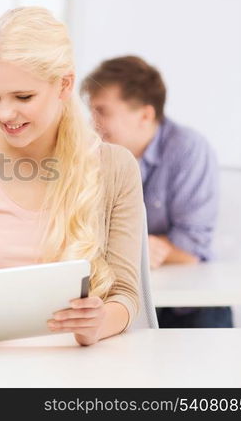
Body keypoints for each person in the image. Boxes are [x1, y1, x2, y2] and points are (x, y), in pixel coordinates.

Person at [0, 7, 143, 346]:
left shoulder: (115, 167)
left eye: (23, 97)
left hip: (78, 367)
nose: (5, 113)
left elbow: (125, 294)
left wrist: (98, 322)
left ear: (64, 84)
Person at [80, 55, 229, 328]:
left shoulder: (189, 149)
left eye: (102, 111)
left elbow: (190, 248)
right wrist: (138, 248)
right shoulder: (97, 155)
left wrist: (127, 247)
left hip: (191, 309)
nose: (92, 123)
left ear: (145, 115)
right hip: (129, 298)